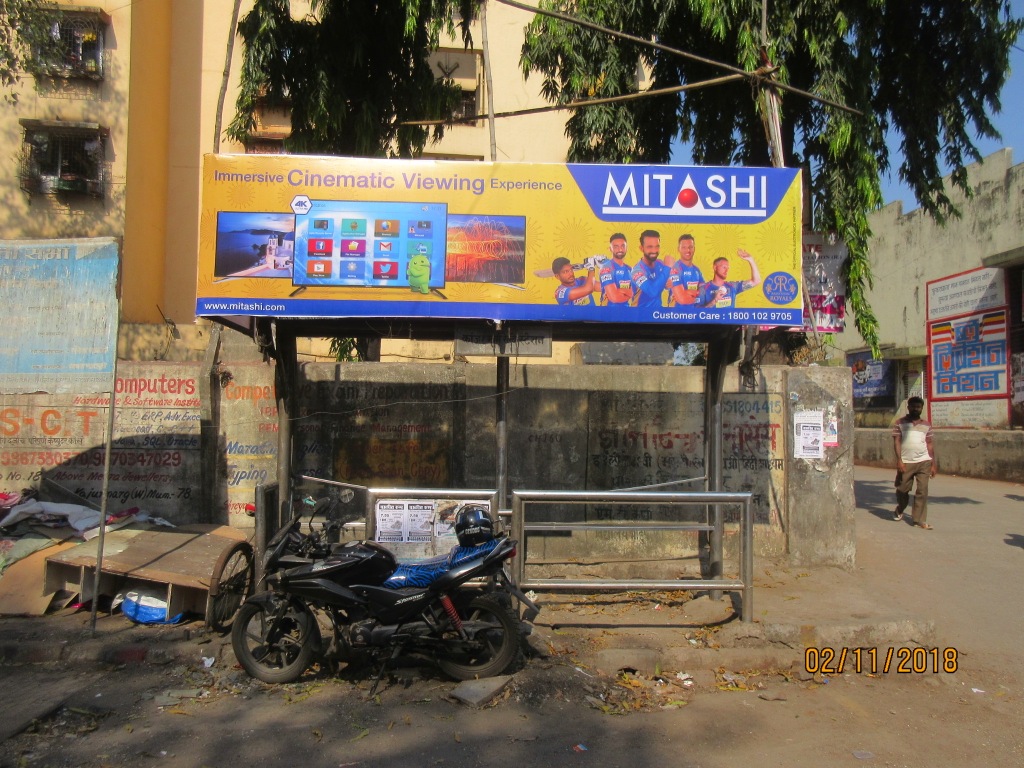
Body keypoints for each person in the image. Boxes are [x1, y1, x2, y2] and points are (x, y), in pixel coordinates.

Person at [892, 396, 937, 529]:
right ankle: (900, 508)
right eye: (913, 406)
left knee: (922, 490)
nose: (916, 409)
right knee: (902, 489)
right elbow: (896, 442)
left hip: (924, 461)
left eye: (918, 407)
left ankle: (919, 520)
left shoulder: (926, 425)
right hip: (906, 462)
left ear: (921, 408)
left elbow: (929, 444)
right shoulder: (900, 423)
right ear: (908, 407)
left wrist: (933, 463)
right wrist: (899, 460)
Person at [629, 229, 671, 308]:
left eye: (657, 246)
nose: (654, 251)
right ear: (641, 248)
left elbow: (668, 284)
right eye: (649, 247)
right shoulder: (637, 271)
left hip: (657, 315)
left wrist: (670, 283)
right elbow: (653, 292)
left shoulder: (660, 264)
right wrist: (667, 267)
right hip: (640, 315)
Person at [668, 233, 704, 305]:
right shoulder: (674, 269)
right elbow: (683, 300)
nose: (688, 250)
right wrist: (697, 296)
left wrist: (686, 292)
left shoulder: (697, 270)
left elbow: (704, 295)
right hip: (677, 313)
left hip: (694, 314)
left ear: (694, 249)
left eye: (690, 247)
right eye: (684, 247)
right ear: (678, 249)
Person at [599, 233, 633, 305]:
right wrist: (628, 293)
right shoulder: (606, 268)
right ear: (610, 249)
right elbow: (614, 298)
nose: (620, 249)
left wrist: (620, 291)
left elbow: (634, 293)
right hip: (608, 313)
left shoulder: (629, 269)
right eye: (616, 247)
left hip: (627, 313)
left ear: (626, 248)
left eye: (622, 246)